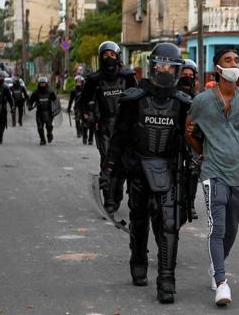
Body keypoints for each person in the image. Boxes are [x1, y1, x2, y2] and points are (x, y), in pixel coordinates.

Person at [100, 42, 192, 304]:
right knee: (139, 219)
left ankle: (166, 280)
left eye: (170, 66)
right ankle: (138, 257)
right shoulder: (133, 99)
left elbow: (194, 140)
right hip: (139, 168)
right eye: (161, 65)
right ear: (152, 67)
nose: (165, 70)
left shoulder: (184, 103)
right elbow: (119, 138)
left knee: (169, 225)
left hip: (170, 169)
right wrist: (109, 170)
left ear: (176, 71)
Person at [184, 49, 239, 306]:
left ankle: (216, 264)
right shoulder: (202, 101)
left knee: (233, 224)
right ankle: (221, 281)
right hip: (212, 172)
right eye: (228, 61)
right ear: (218, 67)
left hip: (237, 172)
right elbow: (188, 130)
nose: (234, 65)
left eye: (237, 61)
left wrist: (233, 149)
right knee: (217, 227)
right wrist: (202, 152)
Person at [77, 41, 137, 214]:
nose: (109, 58)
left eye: (112, 55)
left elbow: (140, 99)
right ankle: (109, 199)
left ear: (118, 56)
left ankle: (119, 193)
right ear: (100, 58)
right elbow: (83, 102)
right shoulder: (94, 79)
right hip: (105, 126)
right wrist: (87, 115)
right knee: (107, 162)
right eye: (105, 55)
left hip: (126, 125)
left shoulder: (128, 76)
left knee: (125, 164)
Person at [177, 58, 201, 219]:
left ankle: (190, 203)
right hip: (174, 137)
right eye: (184, 74)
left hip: (192, 139)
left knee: (193, 171)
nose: (187, 77)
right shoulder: (171, 95)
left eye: (190, 75)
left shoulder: (199, 99)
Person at [28, 77, 57, 145]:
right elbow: (30, 101)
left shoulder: (50, 92)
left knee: (49, 126)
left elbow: (55, 101)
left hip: (49, 112)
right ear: (39, 84)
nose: (42, 85)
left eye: (44, 83)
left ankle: (49, 134)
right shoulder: (35, 93)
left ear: (46, 83)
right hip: (39, 113)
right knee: (40, 127)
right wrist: (29, 106)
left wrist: (55, 109)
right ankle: (42, 139)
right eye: (41, 83)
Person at [67, 75, 90, 144]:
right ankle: (78, 132)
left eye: (80, 81)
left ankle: (84, 132)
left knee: (84, 121)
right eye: (78, 81)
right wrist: (69, 107)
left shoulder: (86, 90)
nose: (79, 83)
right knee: (77, 119)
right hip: (77, 107)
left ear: (83, 82)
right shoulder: (73, 91)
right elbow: (71, 100)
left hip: (84, 107)